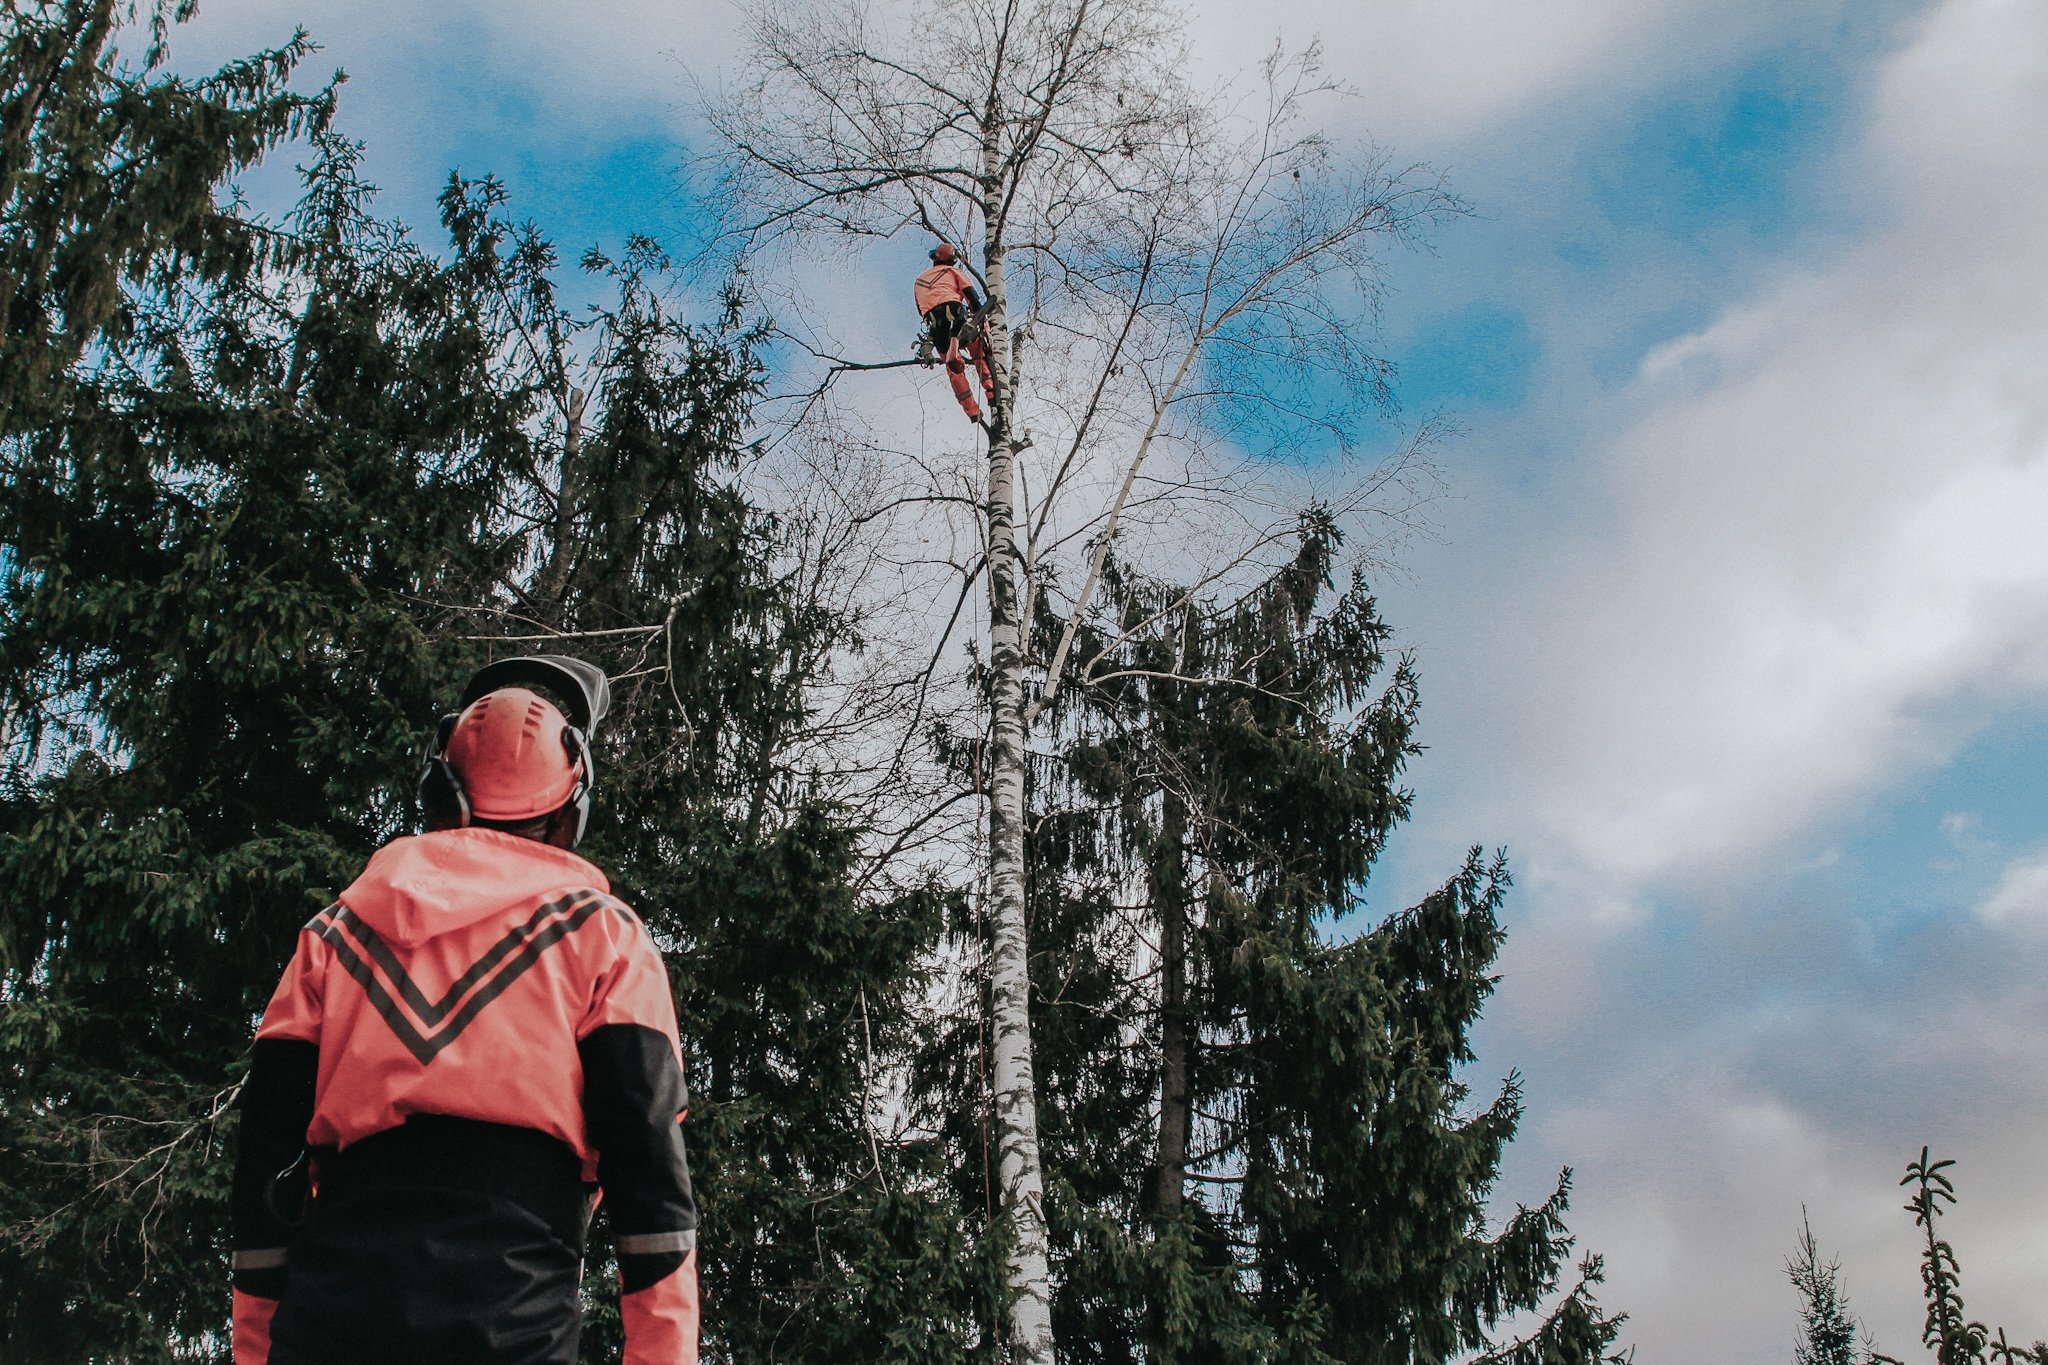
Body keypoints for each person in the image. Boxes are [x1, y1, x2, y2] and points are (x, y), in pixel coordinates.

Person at [228, 656, 699, 1365]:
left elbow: (264, 1166)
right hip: (513, 1327)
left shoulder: (332, 936)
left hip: (329, 1320)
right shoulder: (605, 938)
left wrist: (256, 1350)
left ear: (441, 792)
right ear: (573, 807)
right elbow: (651, 1187)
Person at [913, 241, 997, 423]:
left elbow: (921, 309)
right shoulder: (954, 272)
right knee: (978, 351)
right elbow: (974, 301)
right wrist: (983, 324)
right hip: (955, 316)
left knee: (953, 371)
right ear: (951, 259)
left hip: (935, 326)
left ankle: (972, 411)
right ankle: (991, 390)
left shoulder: (918, 281)